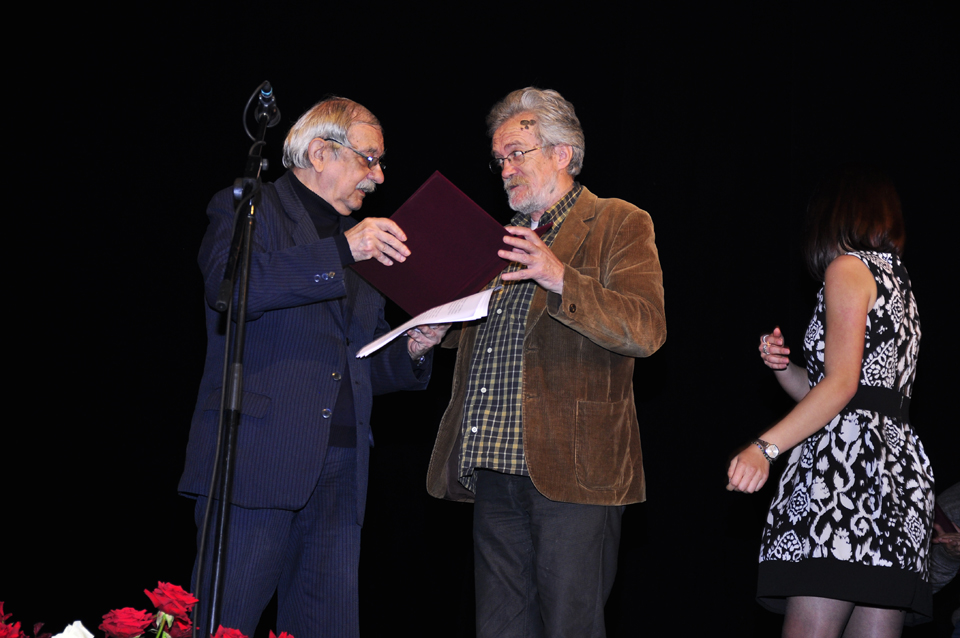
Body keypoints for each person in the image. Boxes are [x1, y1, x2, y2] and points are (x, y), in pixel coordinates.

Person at [179, 97, 445, 638]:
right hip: (256, 461)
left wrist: (414, 347)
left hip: (342, 470)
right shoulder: (249, 206)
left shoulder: (364, 242)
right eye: (370, 158)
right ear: (321, 152)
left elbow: (360, 362)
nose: (379, 176)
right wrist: (341, 251)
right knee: (222, 626)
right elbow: (234, 289)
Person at [425, 87, 666, 638]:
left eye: (517, 154)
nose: (505, 169)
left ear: (562, 153)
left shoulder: (618, 222)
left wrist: (561, 278)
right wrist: (435, 332)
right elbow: (490, 334)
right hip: (492, 467)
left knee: (570, 628)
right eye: (499, 159)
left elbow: (647, 329)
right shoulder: (498, 240)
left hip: (574, 474)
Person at [727, 164, 935, 637]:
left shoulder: (848, 269)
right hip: (895, 478)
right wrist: (785, 369)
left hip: (846, 480)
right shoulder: (898, 280)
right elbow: (850, 391)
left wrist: (765, 448)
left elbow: (841, 388)